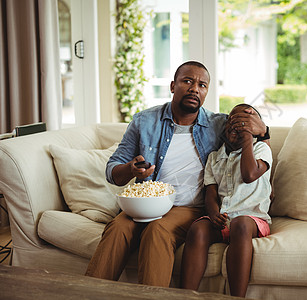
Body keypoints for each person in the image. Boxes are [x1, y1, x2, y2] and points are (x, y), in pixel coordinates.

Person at [85, 61, 269, 287]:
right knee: (117, 228)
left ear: (206, 92)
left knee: (157, 230)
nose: (194, 88)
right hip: (147, 202)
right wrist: (131, 169)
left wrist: (264, 129)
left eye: (202, 85)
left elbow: (252, 138)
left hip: (189, 207)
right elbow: (113, 170)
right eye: (187, 81)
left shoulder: (218, 123)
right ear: (173, 86)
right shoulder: (144, 121)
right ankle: (88, 292)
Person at [180, 103, 272, 297]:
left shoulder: (261, 149)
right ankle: (185, 295)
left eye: (244, 123)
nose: (237, 126)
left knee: (240, 225)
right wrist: (213, 213)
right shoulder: (214, 158)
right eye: (233, 121)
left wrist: (248, 136)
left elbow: (249, 174)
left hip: (252, 219)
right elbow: (211, 193)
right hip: (223, 218)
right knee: (197, 229)